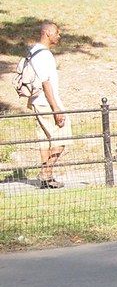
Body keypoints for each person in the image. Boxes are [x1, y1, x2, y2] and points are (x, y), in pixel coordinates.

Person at [25, 22, 71, 189]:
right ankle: (46, 173)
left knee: (45, 138)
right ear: (48, 33)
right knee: (63, 134)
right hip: (47, 101)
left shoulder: (33, 51)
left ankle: (47, 177)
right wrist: (56, 108)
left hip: (36, 101)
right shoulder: (44, 55)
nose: (59, 36)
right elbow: (46, 83)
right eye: (57, 33)